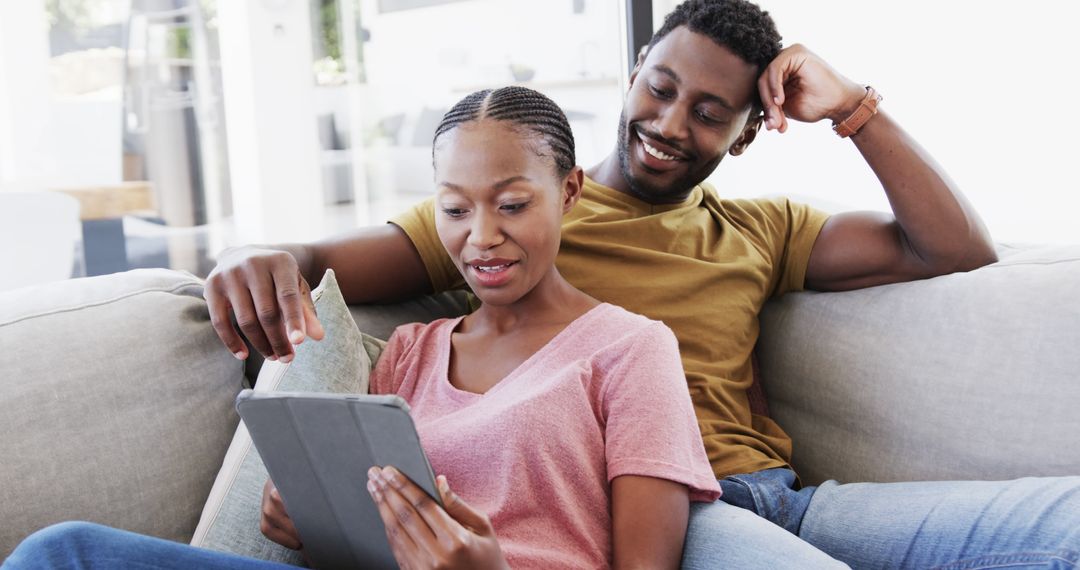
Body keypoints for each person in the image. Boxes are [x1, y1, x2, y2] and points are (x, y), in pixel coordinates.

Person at [210, 1, 1080, 568]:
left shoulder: (763, 227)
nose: (670, 123)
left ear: (742, 136)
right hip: (661, 511)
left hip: (780, 493)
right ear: (630, 80)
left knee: (1061, 524)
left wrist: (854, 107)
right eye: (660, 89)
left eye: (708, 112)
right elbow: (319, 263)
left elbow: (953, 248)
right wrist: (264, 256)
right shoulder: (520, 216)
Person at [4, 88, 720, 569]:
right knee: (63, 551)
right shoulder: (409, 354)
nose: (481, 238)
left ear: (568, 192)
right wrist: (314, 524)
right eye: (456, 209)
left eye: (511, 204)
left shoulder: (632, 349)